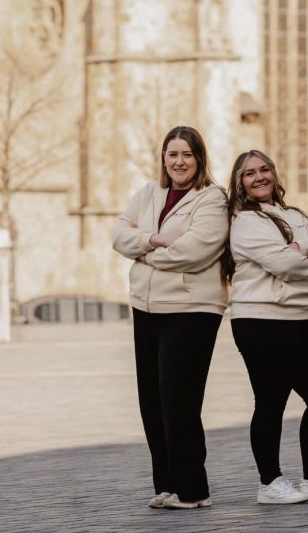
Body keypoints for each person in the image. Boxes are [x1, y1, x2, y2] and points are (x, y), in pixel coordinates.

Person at [226, 149, 308, 505]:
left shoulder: (293, 215)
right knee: (271, 402)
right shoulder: (245, 222)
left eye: (264, 169)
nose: (259, 177)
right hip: (260, 321)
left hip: (298, 318)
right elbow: (289, 266)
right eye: (249, 173)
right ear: (239, 183)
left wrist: (304, 245)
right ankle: (269, 484)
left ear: (275, 174)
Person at [111, 126, 229, 510]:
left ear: (200, 159)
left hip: (191, 310)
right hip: (146, 308)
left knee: (179, 400)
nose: (179, 161)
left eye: (187, 154)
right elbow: (118, 234)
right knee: (152, 401)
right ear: (164, 158)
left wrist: (143, 251)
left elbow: (195, 252)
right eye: (173, 154)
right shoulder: (148, 193)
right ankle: (167, 486)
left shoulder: (212, 199)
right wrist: (153, 240)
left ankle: (194, 490)